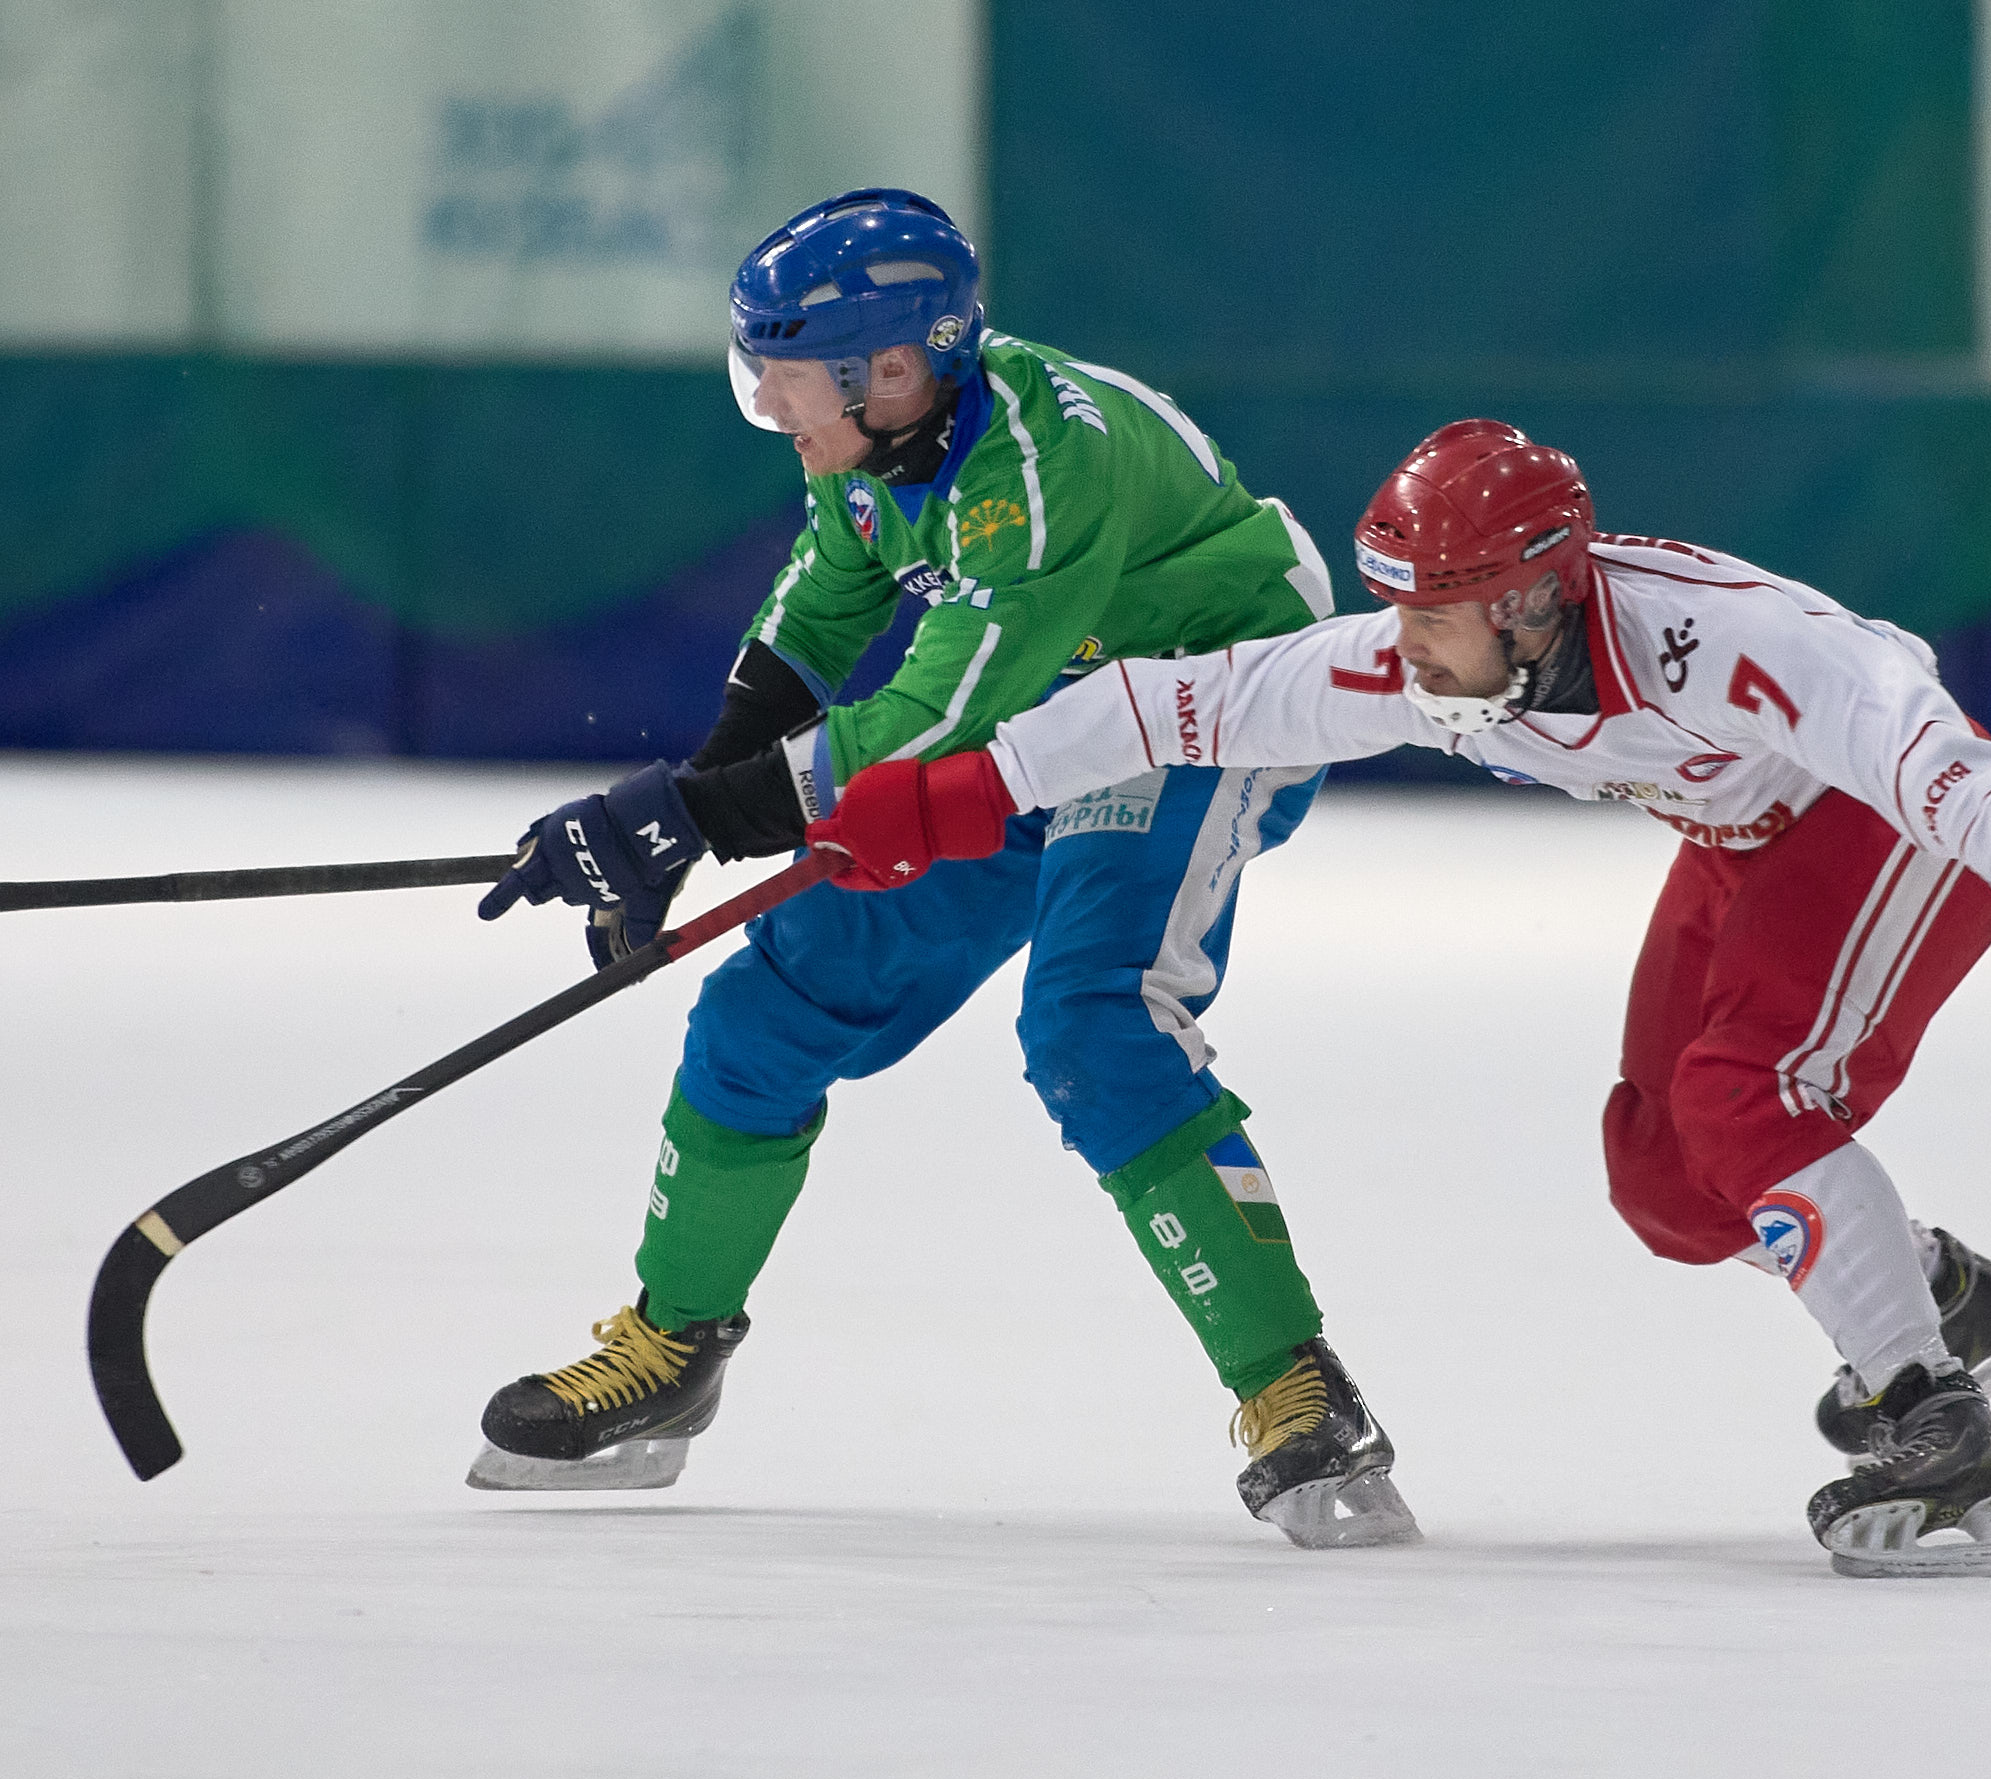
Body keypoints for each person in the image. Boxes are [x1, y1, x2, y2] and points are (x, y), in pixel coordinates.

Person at [804, 419, 1991, 1577]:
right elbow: (1184, 707)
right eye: (1396, 603)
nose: (1403, 648)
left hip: (1891, 826)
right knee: (1668, 1179)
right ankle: (1944, 1300)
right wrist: (955, 794)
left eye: (1435, 613)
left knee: (1745, 1097)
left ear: (1532, 597)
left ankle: (1933, 1425)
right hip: (1744, 843)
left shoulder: (1722, 644)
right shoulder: (1443, 653)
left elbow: (1941, 755)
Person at [469, 189, 1417, 1548]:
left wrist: (690, 812)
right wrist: (693, 794)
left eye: (787, 388)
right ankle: (671, 1355)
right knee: (758, 1018)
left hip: (1195, 712)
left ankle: (1295, 1385)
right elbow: (825, 602)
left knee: (1094, 1023)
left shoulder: (1038, 473)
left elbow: (933, 718)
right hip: (1027, 719)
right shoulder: (872, 435)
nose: (779, 417)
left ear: (893, 369)